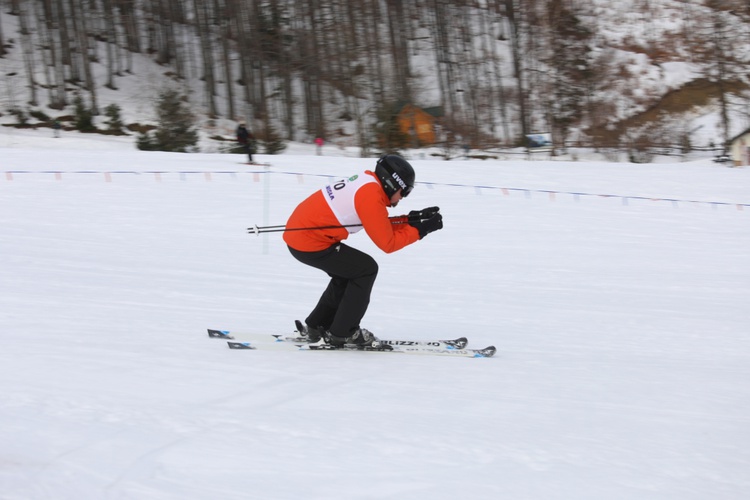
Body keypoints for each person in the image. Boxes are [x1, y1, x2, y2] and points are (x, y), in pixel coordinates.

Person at [283, 154, 443, 347]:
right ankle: (343, 332)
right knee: (366, 269)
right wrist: (422, 230)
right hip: (309, 242)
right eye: (405, 191)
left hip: (303, 237)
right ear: (392, 183)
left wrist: (411, 219)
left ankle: (317, 325)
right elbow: (388, 243)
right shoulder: (370, 196)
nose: (403, 197)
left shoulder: (368, 183)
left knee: (349, 272)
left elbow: (376, 222)